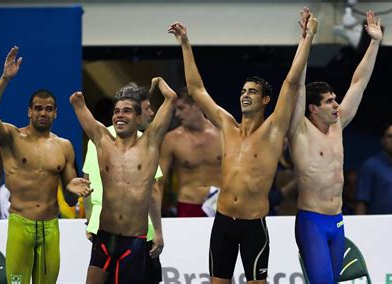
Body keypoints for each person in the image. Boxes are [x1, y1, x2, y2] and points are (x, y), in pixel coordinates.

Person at [169, 8, 318, 283]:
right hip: (223, 222)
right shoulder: (226, 125)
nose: (245, 95)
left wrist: (307, 38)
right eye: (242, 91)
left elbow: (291, 82)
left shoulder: (273, 130)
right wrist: (186, 44)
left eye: (252, 92)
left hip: (253, 226)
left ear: (265, 101)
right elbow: (196, 90)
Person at [0, 46, 91, 284]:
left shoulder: (64, 146)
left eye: (48, 109)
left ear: (56, 114)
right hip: (21, 224)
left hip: (51, 227)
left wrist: (73, 191)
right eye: (38, 108)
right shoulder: (11, 137)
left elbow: (71, 199)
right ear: (29, 111)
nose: (43, 113)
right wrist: (5, 79)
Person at [287, 10, 382, 284]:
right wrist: (307, 38)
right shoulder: (300, 130)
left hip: (337, 221)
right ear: (313, 108)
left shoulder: (338, 126)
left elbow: (359, 82)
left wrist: (374, 43)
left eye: (335, 99)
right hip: (311, 222)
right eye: (329, 101)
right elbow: (296, 84)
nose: (336, 105)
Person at [70, 77, 176, 283]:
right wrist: (77, 102)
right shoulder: (102, 141)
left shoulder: (149, 143)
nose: (119, 115)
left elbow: (171, 98)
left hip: (133, 240)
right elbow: (80, 109)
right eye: (116, 111)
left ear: (138, 118)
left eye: (127, 111)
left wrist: (159, 82)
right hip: (105, 235)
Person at [158, 87, 222, 217]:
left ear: (197, 106)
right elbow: (159, 182)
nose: (177, 114)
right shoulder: (172, 140)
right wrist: (156, 218)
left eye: (181, 108)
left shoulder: (222, 134)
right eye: (176, 109)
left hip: (221, 204)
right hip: (188, 205)